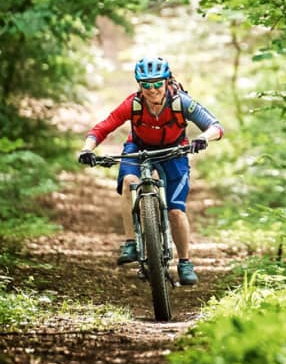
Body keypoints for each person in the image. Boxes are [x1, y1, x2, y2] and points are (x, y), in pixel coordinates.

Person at [77, 56, 223, 285]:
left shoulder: (181, 102)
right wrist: (87, 149)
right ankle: (131, 243)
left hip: (174, 151)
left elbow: (215, 126)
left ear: (167, 81)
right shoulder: (133, 104)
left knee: (176, 211)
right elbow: (102, 127)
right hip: (139, 147)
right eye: (146, 85)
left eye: (157, 83)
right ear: (139, 85)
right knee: (130, 182)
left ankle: (184, 262)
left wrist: (203, 139)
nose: (152, 89)